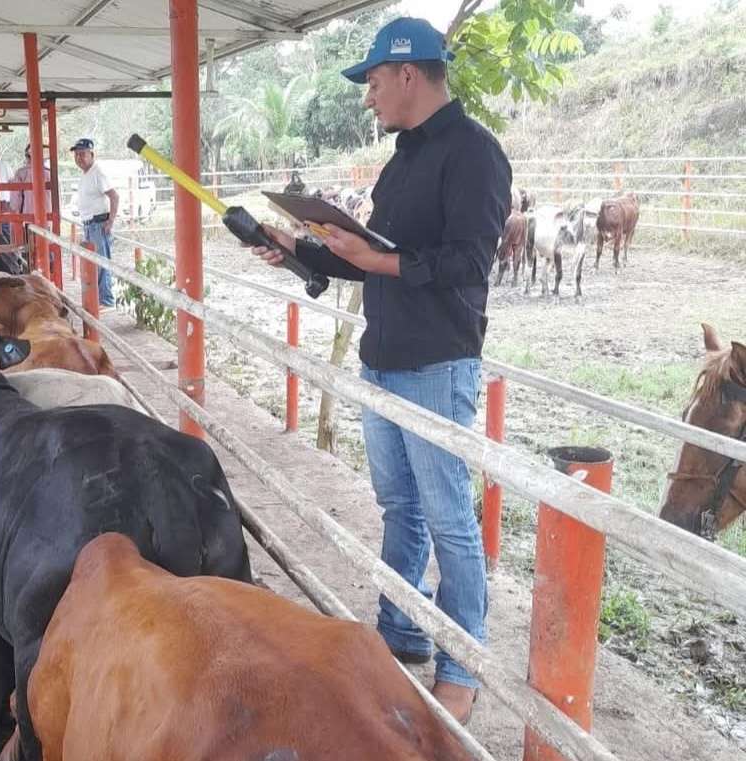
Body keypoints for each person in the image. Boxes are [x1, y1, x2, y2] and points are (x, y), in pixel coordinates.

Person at [250, 17, 511, 724]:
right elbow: (367, 253)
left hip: (436, 361)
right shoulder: (399, 160)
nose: (367, 97)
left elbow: (468, 263)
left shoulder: (476, 153)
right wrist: (299, 248)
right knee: (400, 506)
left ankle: (464, 663)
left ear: (407, 73)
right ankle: (400, 629)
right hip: (384, 355)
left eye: (370, 81)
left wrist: (379, 262)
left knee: (450, 519)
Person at [71, 138, 119, 308]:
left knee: (102, 263)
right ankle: (100, 300)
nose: (79, 158)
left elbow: (114, 196)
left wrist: (110, 221)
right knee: (94, 263)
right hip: (89, 224)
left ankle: (106, 301)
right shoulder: (86, 174)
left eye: (82, 154)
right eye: (76, 155)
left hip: (99, 223)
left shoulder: (97, 172)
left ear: (92, 154)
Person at [10, 144, 52, 260]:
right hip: (47, 218)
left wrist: (16, 213)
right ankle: (50, 271)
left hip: (28, 218)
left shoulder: (21, 173)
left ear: (27, 157)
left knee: (29, 250)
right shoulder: (50, 173)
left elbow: (15, 201)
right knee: (46, 247)